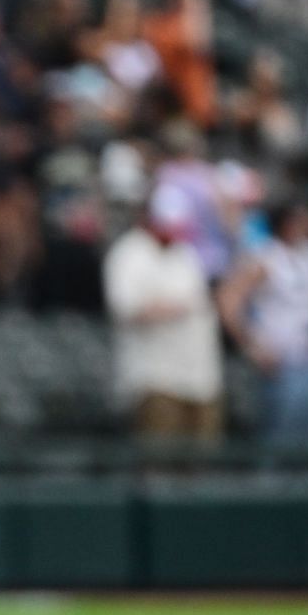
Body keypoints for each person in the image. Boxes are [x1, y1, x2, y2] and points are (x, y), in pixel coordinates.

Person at [103, 188, 224, 440]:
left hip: (200, 376)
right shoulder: (129, 253)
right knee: (160, 460)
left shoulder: (186, 253)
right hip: (156, 377)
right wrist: (177, 307)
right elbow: (127, 309)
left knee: (203, 461)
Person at [219, 202, 308, 451]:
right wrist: (252, 347)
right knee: (280, 441)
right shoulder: (266, 256)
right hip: (281, 362)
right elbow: (228, 300)